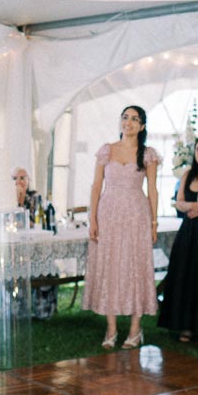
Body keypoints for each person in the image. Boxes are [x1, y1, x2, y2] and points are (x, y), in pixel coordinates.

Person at [83, 105, 159, 349]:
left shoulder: (147, 154)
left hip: (136, 214)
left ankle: (136, 329)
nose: (129, 122)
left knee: (136, 265)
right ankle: (111, 328)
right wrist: (92, 219)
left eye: (135, 119)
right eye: (125, 117)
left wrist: (154, 222)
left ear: (142, 126)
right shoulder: (107, 151)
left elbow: (153, 190)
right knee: (110, 265)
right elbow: (96, 187)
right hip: (109, 214)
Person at [158, 135, 198, 346]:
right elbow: (179, 203)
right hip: (189, 231)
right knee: (185, 275)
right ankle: (184, 324)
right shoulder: (188, 174)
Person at [13, 167, 57, 319]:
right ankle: (17, 311)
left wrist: (21, 201)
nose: (19, 182)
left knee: (46, 264)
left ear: (28, 181)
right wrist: (17, 201)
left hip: (35, 246)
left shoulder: (35, 197)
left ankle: (44, 310)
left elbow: (36, 223)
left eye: (23, 178)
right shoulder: (4, 198)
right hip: (14, 249)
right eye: (15, 178)